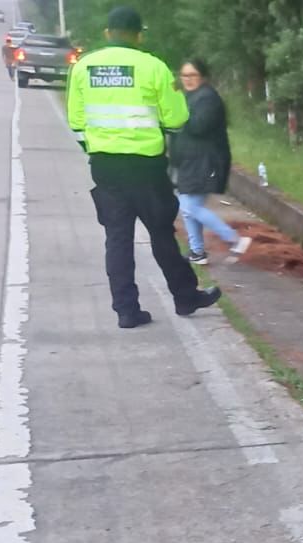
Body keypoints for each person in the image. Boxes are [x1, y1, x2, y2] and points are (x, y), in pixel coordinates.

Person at [67, 7, 220, 329]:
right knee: (162, 233)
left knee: (117, 238)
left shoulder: (83, 67)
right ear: (139, 35)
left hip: (106, 166)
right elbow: (177, 119)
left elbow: (76, 122)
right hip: (146, 167)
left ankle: (126, 310)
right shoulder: (154, 67)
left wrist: (95, 147)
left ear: (108, 33)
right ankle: (185, 296)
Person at [171, 59, 250, 265]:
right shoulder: (190, 97)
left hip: (206, 161)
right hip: (191, 161)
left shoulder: (208, 99)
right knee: (188, 206)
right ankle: (197, 252)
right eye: (184, 75)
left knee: (190, 207)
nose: (187, 79)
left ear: (203, 77)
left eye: (192, 75)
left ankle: (234, 239)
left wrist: (176, 115)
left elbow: (198, 126)